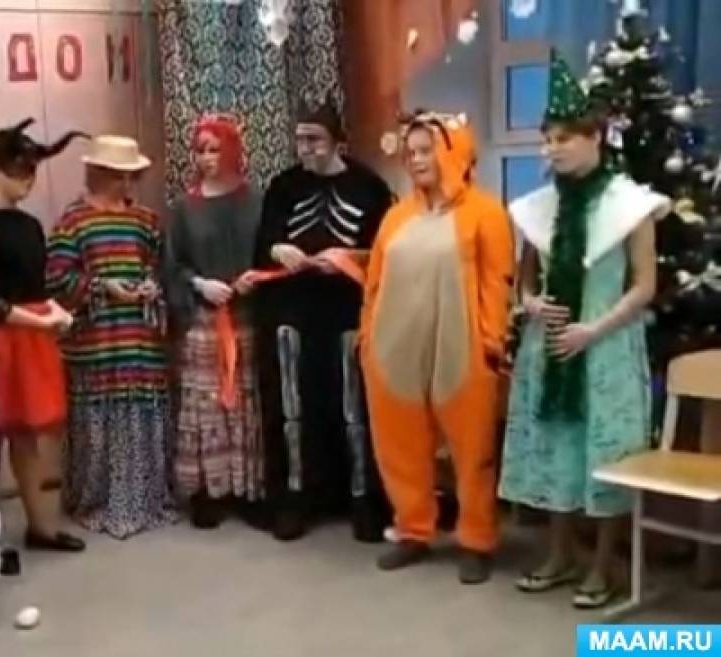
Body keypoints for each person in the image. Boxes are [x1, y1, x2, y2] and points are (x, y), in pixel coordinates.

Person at [500, 51, 666, 608]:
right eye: (547, 140)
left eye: (564, 139)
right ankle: (560, 552)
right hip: (549, 345)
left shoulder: (631, 205)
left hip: (606, 346)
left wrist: (594, 330)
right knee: (557, 446)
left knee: (605, 452)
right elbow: (524, 281)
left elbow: (644, 286)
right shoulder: (538, 209)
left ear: (595, 137)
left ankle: (602, 564)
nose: (552, 149)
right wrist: (531, 304)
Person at [360, 110, 514, 584]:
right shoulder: (395, 217)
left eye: (426, 150)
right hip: (394, 347)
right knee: (399, 444)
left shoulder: (486, 212)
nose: (417, 160)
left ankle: (476, 538)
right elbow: (374, 284)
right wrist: (367, 338)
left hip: (462, 347)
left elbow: (497, 283)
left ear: (453, 151)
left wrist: (492, 340)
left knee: (472, 450)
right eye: (411, 152)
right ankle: (413, 528)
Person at [252, 102, 394, 541]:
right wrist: (278, 249)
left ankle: (363, 499)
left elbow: (385, 251)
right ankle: (294, 498)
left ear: (337, 142)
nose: (305, 149)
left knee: (355, 407)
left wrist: (348, 259)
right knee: (292, 407)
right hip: (292, 310)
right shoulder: (284, 186)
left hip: (346, 309)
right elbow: (264, 242)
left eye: (314, 139)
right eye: (299, 140)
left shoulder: (369, 187)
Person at [46, 135, 178, 539]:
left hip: (140, 340)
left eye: (130, 176)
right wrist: (102, 286)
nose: (126, 184)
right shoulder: (72, 221)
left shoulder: (146, 220)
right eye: (119, 176)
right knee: (98, 420)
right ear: (99, 174)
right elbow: (57, 278)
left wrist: (153, 286)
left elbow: (159, 267)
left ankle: (145, 497)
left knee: (140, 412)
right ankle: (96, 497)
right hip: (96, 343)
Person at [0, 118, 88, 552]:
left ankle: (40, 526)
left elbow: (37, 285)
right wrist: (40, 321)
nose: (28, 180)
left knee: (28, 435)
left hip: (33, 334)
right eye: (19, 171)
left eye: (32, 171)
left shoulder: (30, 225)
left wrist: (56, 312)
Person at [164, 114, 265, 529]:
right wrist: (199, 284)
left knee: (246, 401)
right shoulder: (183, 209)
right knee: (206, 402)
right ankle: (208, 490)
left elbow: (271, 251)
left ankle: (246, 486)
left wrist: (255, 277)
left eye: (215, 149)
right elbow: (171, 265)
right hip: (205, 321)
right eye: (200, 150)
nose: (206, 158)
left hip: (247, 317)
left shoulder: (256, 201)